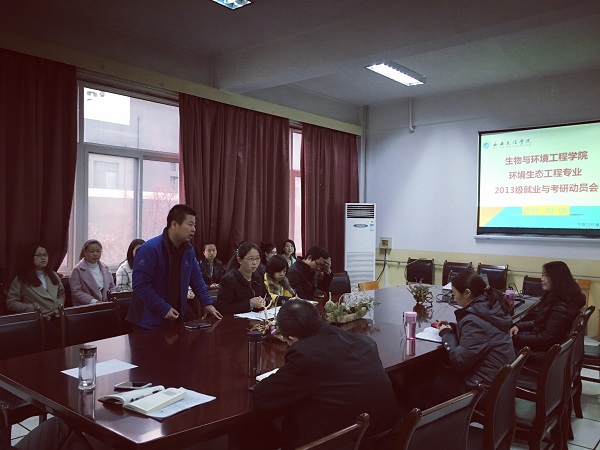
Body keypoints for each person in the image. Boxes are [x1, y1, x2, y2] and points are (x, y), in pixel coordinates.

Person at [252, 299, 400, 449]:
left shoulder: (305, 355)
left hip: (345, 444)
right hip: (387, 440)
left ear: (292, 338)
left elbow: (262, 397)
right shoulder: (365, 342)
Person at [410, 271, 515, 410]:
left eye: (454, 294)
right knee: (432, 371)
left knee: (421, 379)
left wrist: (447, 334)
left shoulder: (474, 321)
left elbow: (460, 361)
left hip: (482, 389)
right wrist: (455, 329)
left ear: (467, 293)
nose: (453, 298)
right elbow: (481, 335)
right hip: (495, 383)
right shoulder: (490, 307)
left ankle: (419, 419)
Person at [126, 204, 222, 330]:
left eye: (194, 225)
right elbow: (140, 286)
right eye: (190, 224)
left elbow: (196, 279)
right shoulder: (149, 249)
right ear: (174, 224)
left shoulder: (188, 250)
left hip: (174, 317)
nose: (194, 229)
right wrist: (163, 308)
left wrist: (207, 303)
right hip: (147, 321)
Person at [511, 261, 585, 363]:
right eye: (542, 275)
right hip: (546, 348)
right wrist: (519, 326)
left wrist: (514, 338)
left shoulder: (563, 306)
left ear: (557, 278)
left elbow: (546, 339)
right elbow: (541, 322)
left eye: (546, 276)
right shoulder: (559, 297)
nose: (542, 279)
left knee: (499, 345)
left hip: (544, 355)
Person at [6, 244, 65, 320]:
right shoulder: (22, 278)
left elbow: (61, 293)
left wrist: (59, 303)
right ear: (30, 257)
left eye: (45, 255)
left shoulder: (53, 275)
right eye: (39, 255)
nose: (43, 258)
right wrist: (33, 308)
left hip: (57, 315)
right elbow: (11, 303)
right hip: (38, 319)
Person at [215, 242, 267, 314]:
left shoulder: (259, 276)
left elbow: (267, 296)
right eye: (251, 259)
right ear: (240, 260)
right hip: (236, 319)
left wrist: (264, 301)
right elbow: (222, 308)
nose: (255, 263)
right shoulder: (229, 280)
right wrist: (250, 304)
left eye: (257, 258)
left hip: (257, 318)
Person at [70, 239, 115, 306]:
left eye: (98, 251)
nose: (95, 254)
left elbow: (112, 286)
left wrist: (111, 298)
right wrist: (94, 302)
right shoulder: (77, 270)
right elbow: (76, 291)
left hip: (106, 304)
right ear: (85, 252)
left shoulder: (105, 267)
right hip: (86, 306)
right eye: (92, 251)